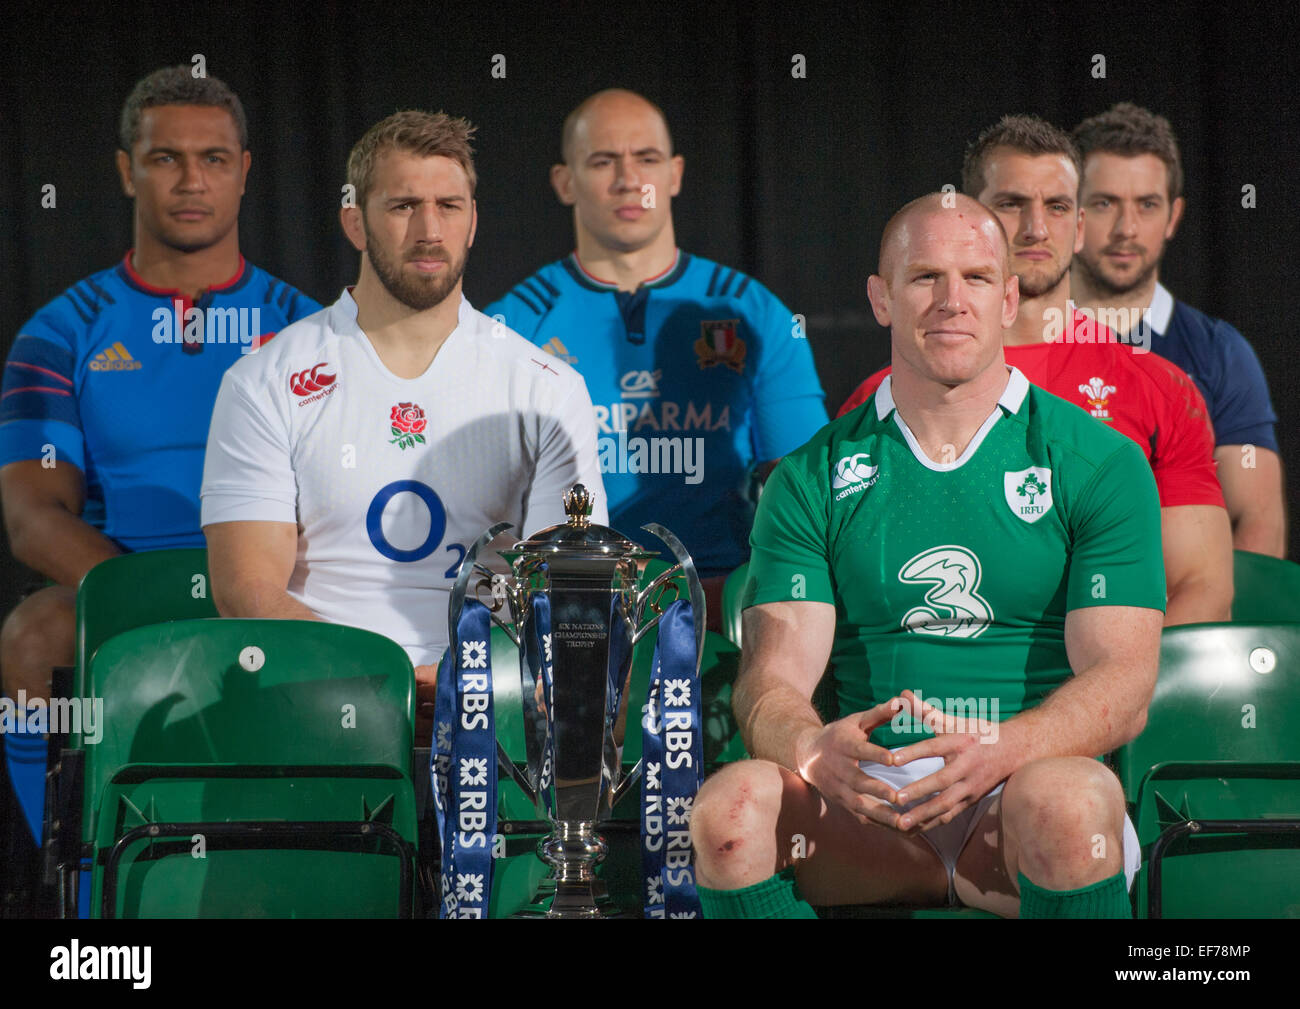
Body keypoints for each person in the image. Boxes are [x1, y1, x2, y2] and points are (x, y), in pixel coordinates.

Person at [689, 193, 1163, 919]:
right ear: (880, 298)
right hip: (870, 808)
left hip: (1018, 808)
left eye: (975, 278)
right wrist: (813, 747)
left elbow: (1124, 680)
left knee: (1072, 802)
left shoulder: (1097, 462)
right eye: (923, 278)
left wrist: (1006, 748)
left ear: (1009, 297)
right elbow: (767, 684)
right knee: (730, 812)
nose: (951, 301)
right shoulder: (810, 476)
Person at [200, 110, 605, 742]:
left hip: (494, 697)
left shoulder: (548, 388)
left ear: (473, 220)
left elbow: (567, 587)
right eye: (402, 207)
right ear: (354, 221)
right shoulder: (262, 381)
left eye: (449, 205)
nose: (429, 230)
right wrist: (381, 673)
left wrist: (466, 676)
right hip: (315, 693)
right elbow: (246, 589)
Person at [0, 66, 319, 843]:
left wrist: (245, 589)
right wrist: (159, 596)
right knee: (32, 635)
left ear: (245, 172)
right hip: (121, 591)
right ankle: (71, 874)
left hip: (278, 586)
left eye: (213, 158)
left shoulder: (307, 329)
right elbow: (34, 516)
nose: (190, 180)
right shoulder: (62, 330)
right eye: (165, 157)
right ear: (125, 170)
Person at [838, 115, 1231, 625]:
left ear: (1081, 228)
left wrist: (1098, 696)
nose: (1036, 228)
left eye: (1058, 206)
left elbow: (1199, 589)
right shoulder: (881, 397)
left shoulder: (1162, 389)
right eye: (1011, 204)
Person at [484, 89, 827, 627]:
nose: (628, 179)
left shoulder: (754, 313)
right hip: (568, 617)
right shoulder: (512, 325)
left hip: (725, 613)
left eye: (646, 158)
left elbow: (806, 491)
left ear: (675, 174)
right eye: (602, 161)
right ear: (564, 182)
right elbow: (479, 504)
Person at [1071, 102, 1285, 557]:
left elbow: (1255, 521)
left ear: (1173, 216)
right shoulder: (1016, 336)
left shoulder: (1219, 353)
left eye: (1147, 205)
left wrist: (1213, 629)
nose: (1126, 229)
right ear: (1071, 212)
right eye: (1104, 202)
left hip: (1182, 616)